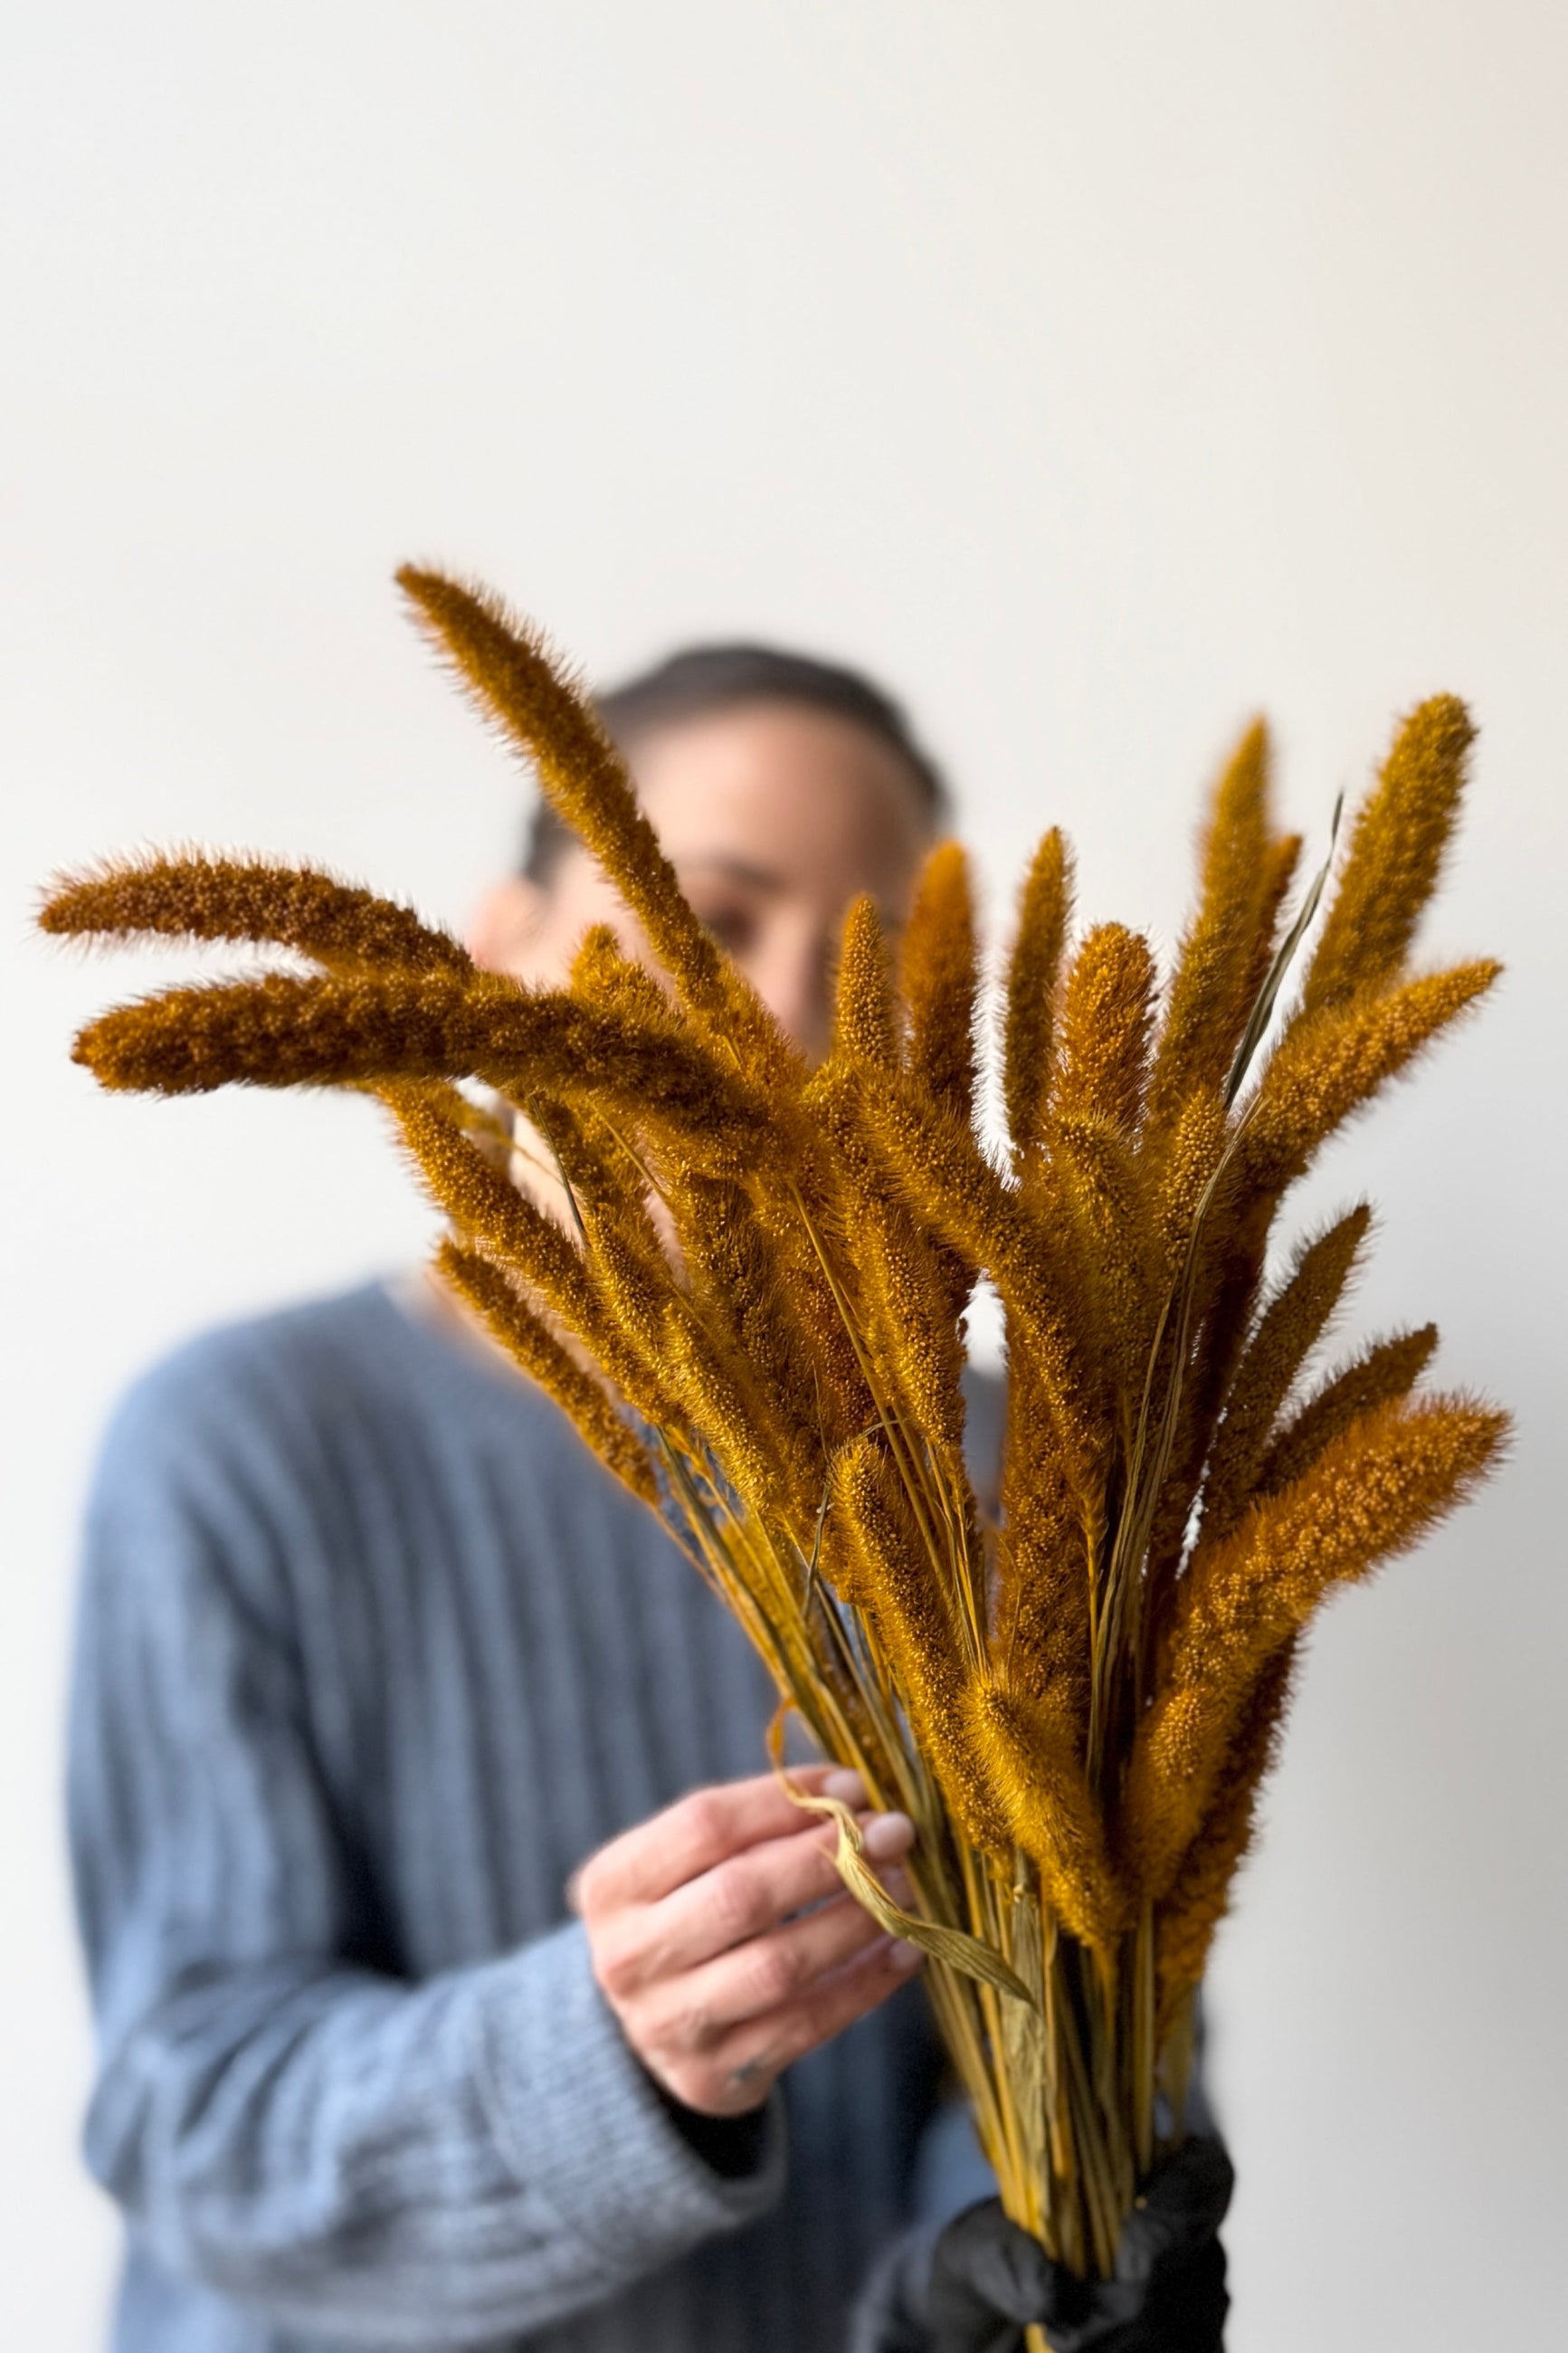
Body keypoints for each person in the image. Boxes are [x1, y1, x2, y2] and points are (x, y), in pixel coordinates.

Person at [69, 642, 1228, 2353]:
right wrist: (608, 2060)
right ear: (496, 953)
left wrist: (1024, 2262)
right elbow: (197, 2119)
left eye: (869, 970)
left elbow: (1091, 2011)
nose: (782, 1018)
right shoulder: (245, 1445)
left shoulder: (1014, 1467)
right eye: (708, 914)